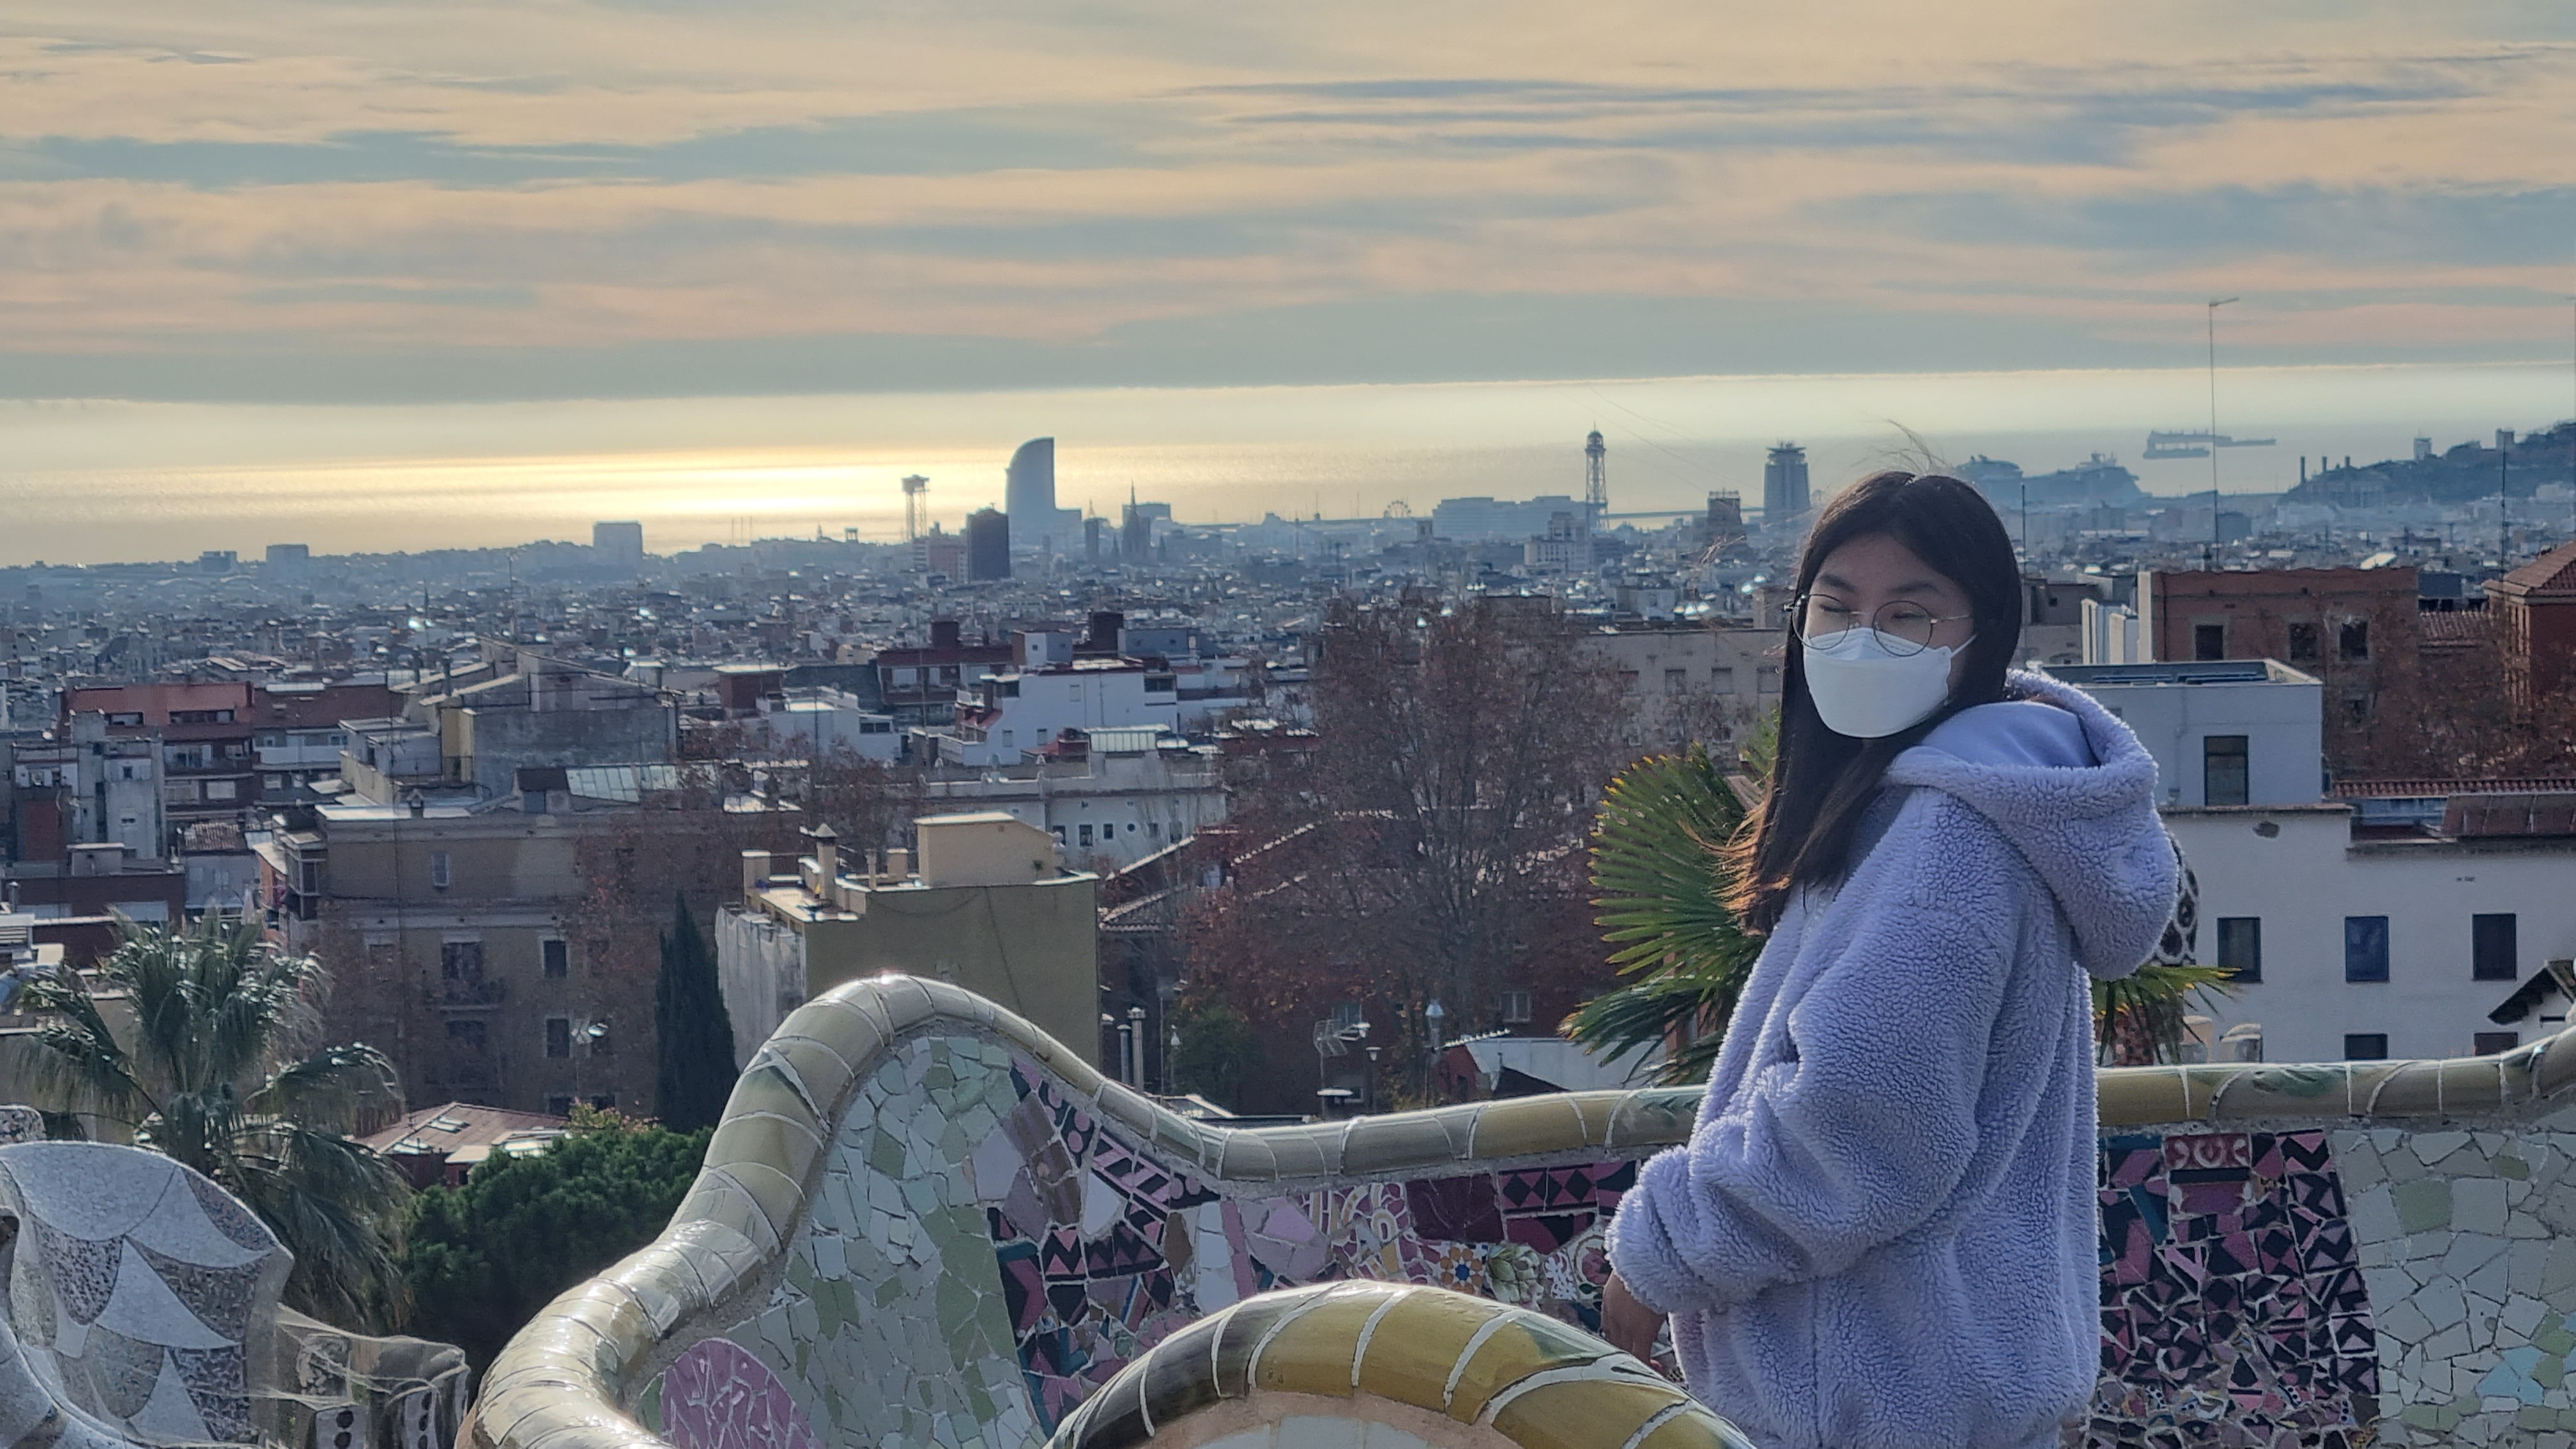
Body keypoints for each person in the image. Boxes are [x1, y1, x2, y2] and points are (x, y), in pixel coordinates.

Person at [1601, 470, 2177, 1449]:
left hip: (1875, 1410)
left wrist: (1657, 1259)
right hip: (1944, 1393)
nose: (1862, 639)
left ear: (1980, 635)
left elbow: (1855, 1132)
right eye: (1835, 608)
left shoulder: (1949, 843)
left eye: (1908, 617)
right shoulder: (1952, 802)